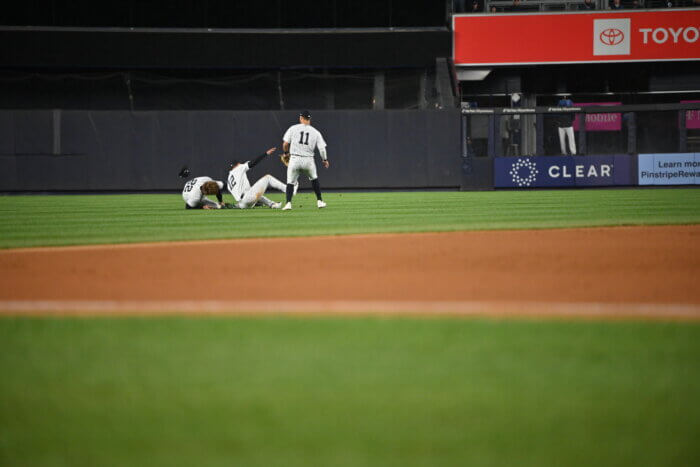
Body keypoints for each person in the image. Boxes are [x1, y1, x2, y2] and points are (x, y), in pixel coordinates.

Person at [281, 110, 329, 210]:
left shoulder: (293, 128)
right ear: (309, 119)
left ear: (301, 118)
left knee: (290, 182)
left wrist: (286, 153)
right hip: (308, 160)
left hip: (295, 159)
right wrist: (325, 159)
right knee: (314, 179)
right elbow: (322, 149)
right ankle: (319, 201)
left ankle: (288, 203)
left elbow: (285, 144)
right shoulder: (315, 132)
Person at [227, 147, 295, 209]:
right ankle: (289, 190)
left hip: (242, 204)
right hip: (247, 198)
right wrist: (266, 154)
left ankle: (272, 204)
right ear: (237, 164)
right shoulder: (239, 168)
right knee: (268, 178)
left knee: (254, 192)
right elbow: (252, 163)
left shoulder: (229, 181)